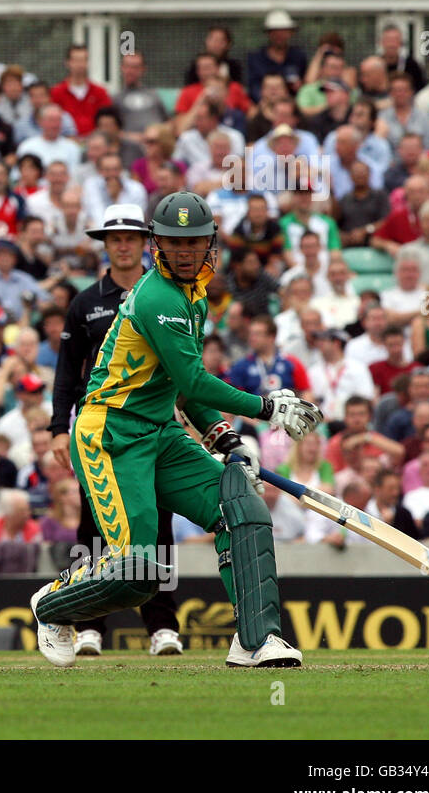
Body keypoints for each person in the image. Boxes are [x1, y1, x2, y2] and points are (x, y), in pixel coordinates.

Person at [31, 191, 322, 669]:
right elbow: (193, 380)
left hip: (162, 430)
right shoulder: (158, 297)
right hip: (111, 435)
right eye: (174, 242)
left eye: (194, 242)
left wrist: (223, 437)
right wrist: (268, 407)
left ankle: (256, 640)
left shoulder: (196, 294)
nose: (185, 252)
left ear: (210, 245)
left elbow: (180, 387)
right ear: (157, 246)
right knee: (139, 572)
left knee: (241, 509)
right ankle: (51, 606)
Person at [44, 202, 182, 656]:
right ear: (105, 244)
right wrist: (57, 429)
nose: (123, 245)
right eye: (115, 238)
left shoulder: (160, 294)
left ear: (145, 241)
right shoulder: (85, 303)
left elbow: (182, 366)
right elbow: (67, 372)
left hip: (151, 423)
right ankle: (89, 626)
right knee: (94, 525)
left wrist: (188, 414)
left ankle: (162, 626)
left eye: (131, 237)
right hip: (98, 430)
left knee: (158, 521)